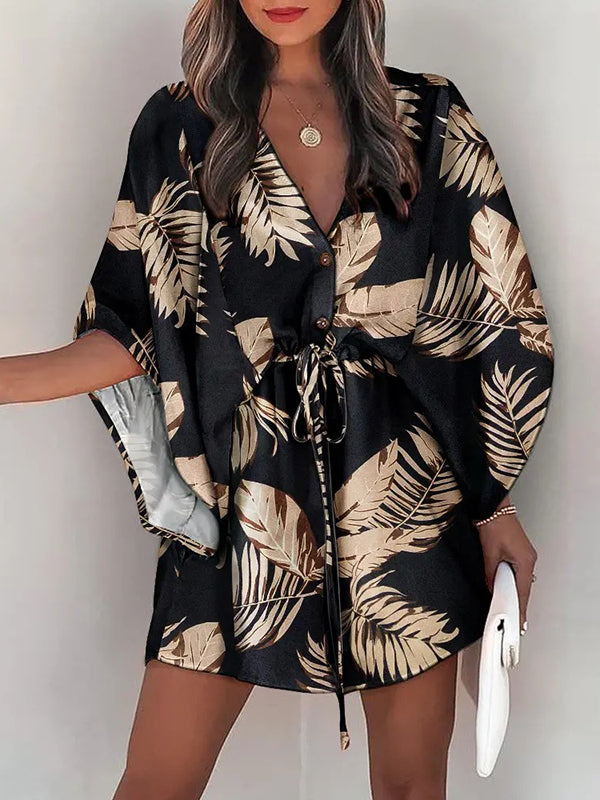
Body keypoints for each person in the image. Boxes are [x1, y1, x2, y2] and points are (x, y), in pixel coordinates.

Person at [1, 1, 555, 798]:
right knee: (155, 785)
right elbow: (138, 329)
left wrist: (494, 505)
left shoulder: (431, 119)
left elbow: (484, 323)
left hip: (403, 507)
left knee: (411, 789)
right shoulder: (180, 125)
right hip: (241, 508)